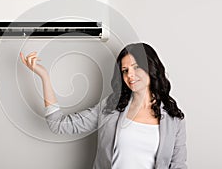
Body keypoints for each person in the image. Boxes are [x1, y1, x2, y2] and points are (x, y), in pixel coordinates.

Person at [20, 42, 187, 169]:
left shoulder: (174, 119)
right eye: (125, 70)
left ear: (151, 68)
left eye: (136, 67)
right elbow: (58, 125)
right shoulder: (110, 108)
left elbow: (178, 166)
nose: (130, 75)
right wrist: (44, 76)